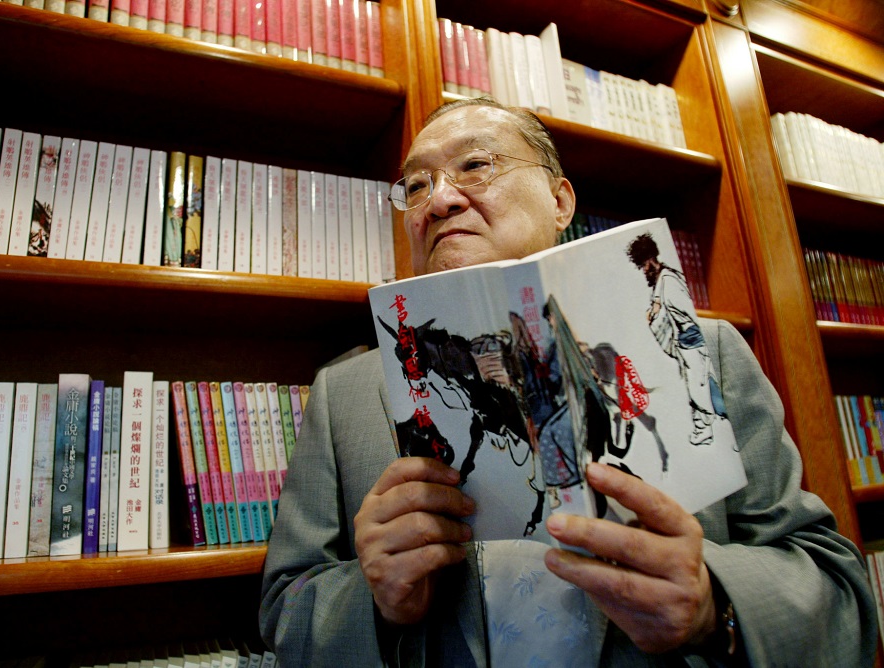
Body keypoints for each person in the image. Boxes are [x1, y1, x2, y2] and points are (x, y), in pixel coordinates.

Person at [259, 96, 878, 666]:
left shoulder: (704, 352)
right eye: (417, 185)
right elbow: (287, 609)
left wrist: (714, 604)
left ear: (561, 201)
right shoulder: (344, 395)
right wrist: (376, 600)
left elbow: (839, 593)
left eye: (475, 165)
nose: (440, 199)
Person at [626, 232, 725, 447]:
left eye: (644, 265)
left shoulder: (668, 280)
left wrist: (657, 317)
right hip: (686, 343)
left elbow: (683, 314)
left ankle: (705, 428)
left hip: (691, 341)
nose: (644, 271)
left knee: (699, 388)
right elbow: (659, 304)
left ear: (651, 260)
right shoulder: (663, 279)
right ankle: (707, 425)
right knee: (700, 385)